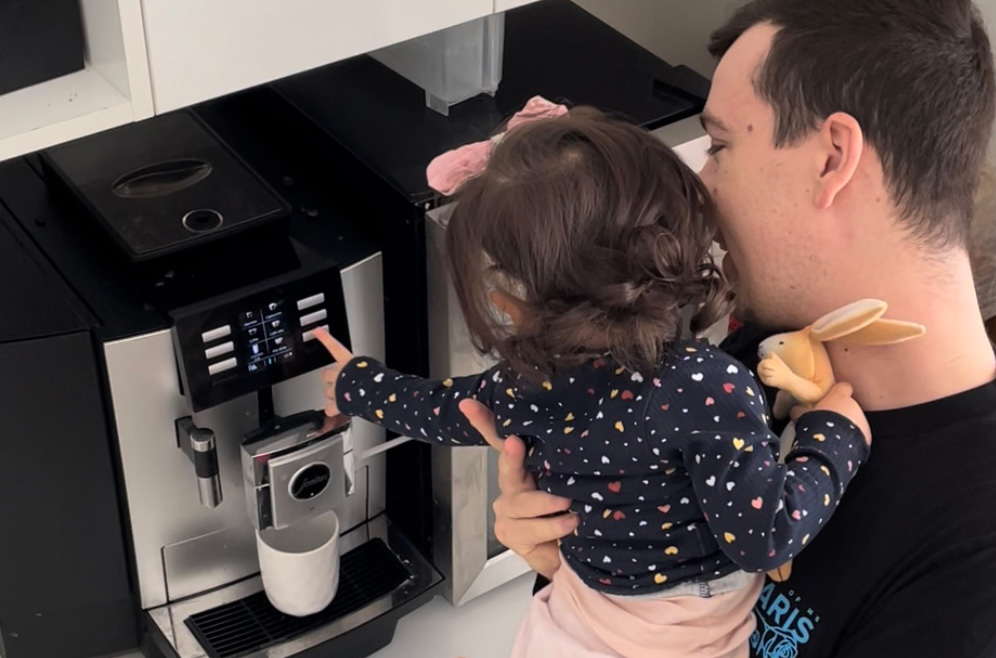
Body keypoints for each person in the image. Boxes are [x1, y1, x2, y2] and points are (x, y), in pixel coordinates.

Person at [471, 2, 996, 657]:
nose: (699, 191)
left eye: (719, 146)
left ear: (833, 158)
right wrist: (575, 579)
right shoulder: (750, 360)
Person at [314, 102, 871, 658]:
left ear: (508, 302)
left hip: (575, 618)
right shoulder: (702, 381)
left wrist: (355, 383)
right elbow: (764, 535)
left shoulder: (523, 383)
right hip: (683, 635)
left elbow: (440, 407)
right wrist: (831, 438)